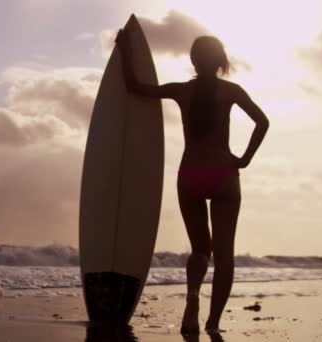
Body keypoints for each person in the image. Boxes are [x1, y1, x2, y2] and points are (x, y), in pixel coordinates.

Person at [115, 31, 270, 334]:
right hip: (223, 174)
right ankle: (213, 323)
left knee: (201, 249)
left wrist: (125, 51)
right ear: (221, 61)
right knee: (224, 257)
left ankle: (192, 297)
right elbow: (262, 122)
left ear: (193, 61)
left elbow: (134, 87)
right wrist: (245, 158)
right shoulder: (231, 91)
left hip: (190, 175)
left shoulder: (181, 91)